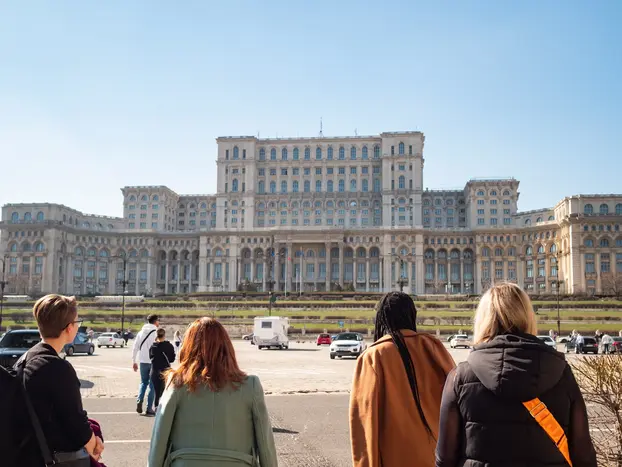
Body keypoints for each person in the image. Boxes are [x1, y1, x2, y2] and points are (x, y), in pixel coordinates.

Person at [435, 282, 596, 467]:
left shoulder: (459, 377)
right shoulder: (561, 372)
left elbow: (445, 458)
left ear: (483, 320)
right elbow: (583, 455)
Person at [148, 317, 278, 467]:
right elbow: (265, 443)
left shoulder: (176, 383)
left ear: (188, 347)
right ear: (226, 348)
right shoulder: (251, 385)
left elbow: (159, 439)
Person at [350, 292, 456, 467]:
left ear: (381, 319)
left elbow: (364, 423)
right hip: (437, 458)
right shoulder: (434, 348)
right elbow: (458, 403)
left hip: (393, 458)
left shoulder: (373, 357)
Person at [16, 294, 104, 466]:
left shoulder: (25, 359)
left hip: (29, 452)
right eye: (77, 322)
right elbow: (76, 423)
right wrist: (95, 445)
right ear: (69, 328)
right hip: (55, 457)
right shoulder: (58, 368)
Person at [132, 314, 160, 416]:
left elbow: (135, 347)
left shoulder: (141, 332)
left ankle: (139, 400)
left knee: (143, 382)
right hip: (153, 362)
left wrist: (134, 361)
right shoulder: (156, 333)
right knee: (152, 385)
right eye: (158, 320)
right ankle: (149, 409)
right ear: (155, 321)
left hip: (143, 361)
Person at [149, 328, 176, 409]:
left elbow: (150, 358)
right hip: (165, 370)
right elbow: (172, 359)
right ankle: (164, 408)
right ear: (164, 335)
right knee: (165, 391)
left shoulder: (153, 346)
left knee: (156, 391)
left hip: (155, 370)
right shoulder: (169, 346)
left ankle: (156, 406)